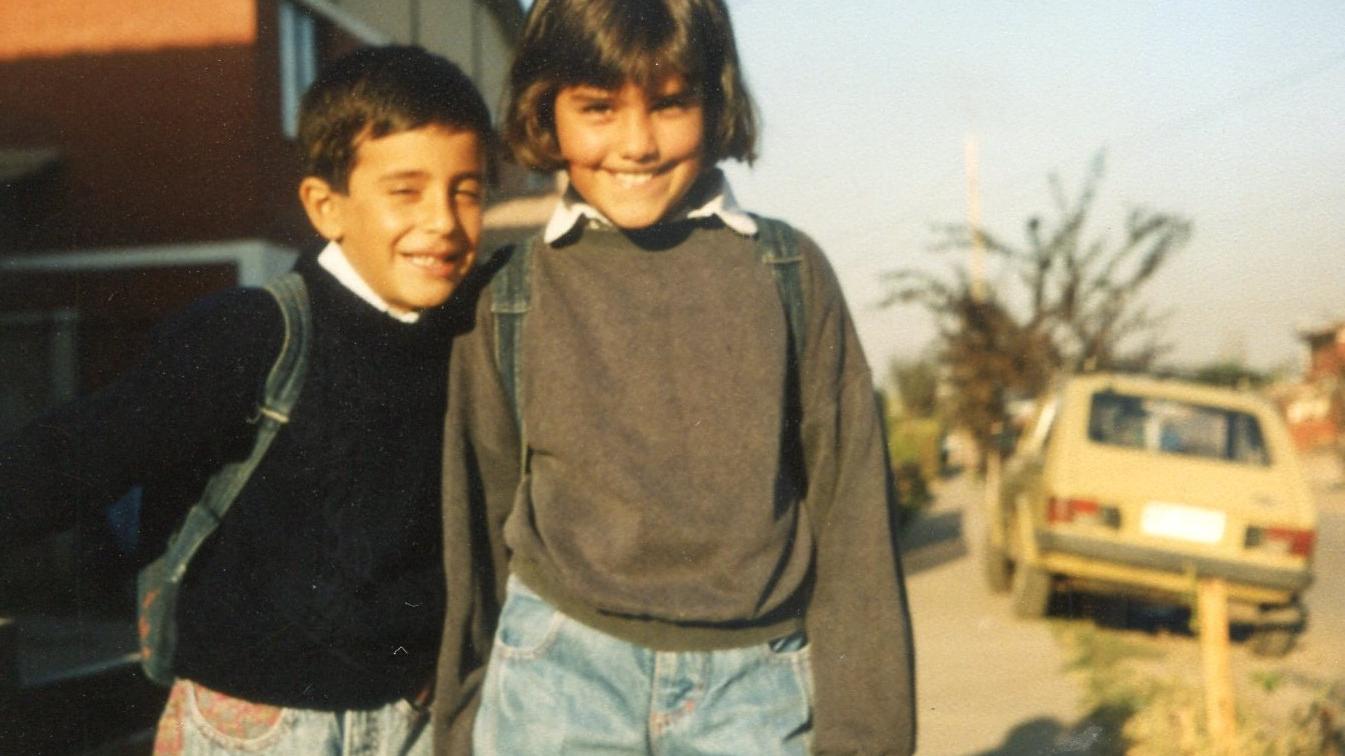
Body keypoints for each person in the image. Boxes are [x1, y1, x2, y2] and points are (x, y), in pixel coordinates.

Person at [431, 1, 917, 752]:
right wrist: (462, 728)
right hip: (557, 680)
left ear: (714, 101)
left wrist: (865, 737)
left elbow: (853, 524)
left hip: (754, 691)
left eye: (669, 104)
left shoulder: (788, 273)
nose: (636, 144)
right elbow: (474, 531)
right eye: (597, 108)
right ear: (545, 110)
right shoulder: (509, 292)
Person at [0, 45, 491, 754]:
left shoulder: (471, 339)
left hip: (418, 725)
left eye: (468, 189)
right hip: (253, 728)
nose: (444, 220)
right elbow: (77, 454)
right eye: (406, 191)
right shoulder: (249, 335)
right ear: (327, 207)